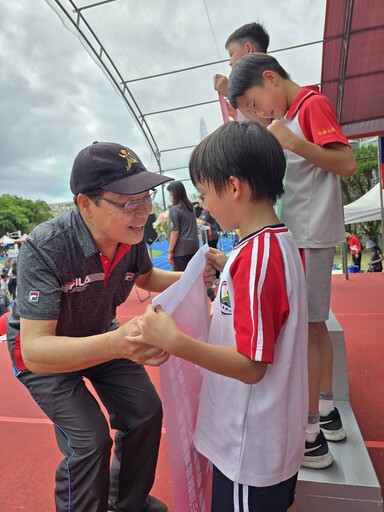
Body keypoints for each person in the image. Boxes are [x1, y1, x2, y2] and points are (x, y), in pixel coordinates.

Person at [131, 121, 308, 512]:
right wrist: (231, 266)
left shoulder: (257, 260)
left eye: (206, 193)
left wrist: (173, 341)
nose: (203, 205)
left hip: (249, 449)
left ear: (234, 186)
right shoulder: (272, 245)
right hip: (261, 440)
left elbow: (251, 366)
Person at [6, 141, 188, 512]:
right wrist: (119, 343)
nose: (144, 213)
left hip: (101, 334)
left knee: (146, 411)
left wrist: (205, 272)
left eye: (147, 198)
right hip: (47, 350)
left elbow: (147, 278)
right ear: (85, 204)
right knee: (89, 440)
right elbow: (37, 349)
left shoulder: (130, 236)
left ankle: (128, 503)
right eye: (129, 202)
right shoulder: (46, 247)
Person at [228, 53, 356, 469]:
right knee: (314, 329)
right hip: (305, 233)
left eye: (255, 103)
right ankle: (326, 416)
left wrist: (293, 142)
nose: (261, 113)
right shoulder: (295, 113)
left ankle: (311, 433)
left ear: (271, 78)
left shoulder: (311, 106)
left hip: (310, 234)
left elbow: (347, 162)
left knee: (307, 330)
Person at [214, 22, 270, 122]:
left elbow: (267, 126)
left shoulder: (267, 80)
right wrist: (237, 114)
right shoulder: (266, 78)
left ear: (249, 49)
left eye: (232, 54)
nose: (230, 63)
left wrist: (231, 93)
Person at [166, 181, 199, 271]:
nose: (169, 196)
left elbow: (175, 231)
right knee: (193, 276)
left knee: (180, 279)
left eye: (170, 193)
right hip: (194, 246)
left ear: (174, 193)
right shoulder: (190, 208)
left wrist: (170, 251)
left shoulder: (174, 209)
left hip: (181, 250)